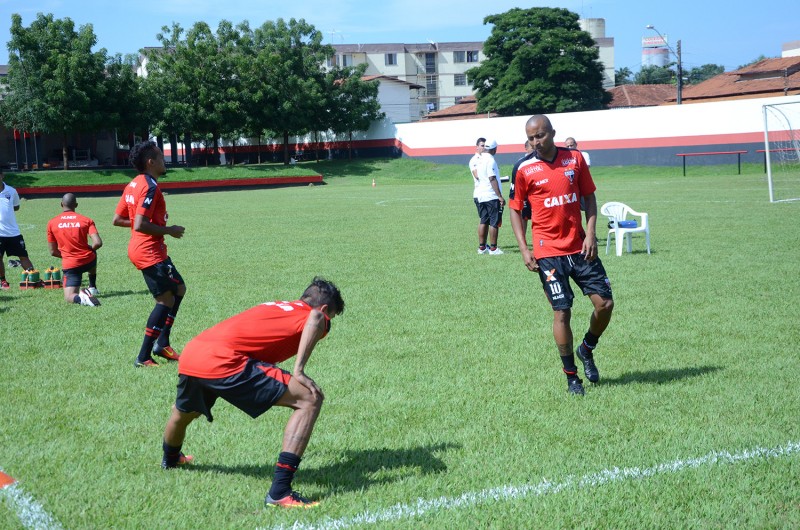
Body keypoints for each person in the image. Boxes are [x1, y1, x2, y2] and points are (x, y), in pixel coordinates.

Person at [160, 277, 344, 509]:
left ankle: (171, 459)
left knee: (184, 412)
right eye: (331, 317)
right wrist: (299, 370)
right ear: (325, 308)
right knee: (310, 399)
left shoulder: (277, 305)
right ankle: (280, 492)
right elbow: (315, 318)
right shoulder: (315, 314)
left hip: (194, 353)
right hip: (224, 360)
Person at [509, 115, 614, 396]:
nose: (536, 142)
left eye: (540, 135)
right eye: (531, 138)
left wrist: (590, 233)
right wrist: (524, 249)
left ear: (552, 133)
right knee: (562, 312)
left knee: (605, 304)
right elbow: (516, 210)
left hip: (580, 247)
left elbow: (589, 197)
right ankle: (572, 378)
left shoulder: (574, 159)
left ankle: (586, 348)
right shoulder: (523, 168)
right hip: (548, 253)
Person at [113, 140, 186, 367]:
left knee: (179, 288)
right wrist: (169, 230)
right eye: (161, 157)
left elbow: (118, 220)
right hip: (148, 251)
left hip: (145, 249)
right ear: (151, 162)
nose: (165, 161)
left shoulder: (133, 184)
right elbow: (139, 224)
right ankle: (144, 356)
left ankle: (162, 342)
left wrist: (150, 221)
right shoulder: (150, 187)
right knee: (165, 300)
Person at [46, 193, 103, 306]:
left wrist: (69, 255)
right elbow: (98, 243)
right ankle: (92, 287)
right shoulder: (86, 220)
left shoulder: (52, 223)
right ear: (76, 205)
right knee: (92, 252)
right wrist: (90, 250)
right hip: (88, 261)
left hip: (71, 265)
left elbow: (53, 251)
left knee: (69, 297)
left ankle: (82, 297)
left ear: (61, 204)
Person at [0, 169, 42, 289]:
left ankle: (34, 279)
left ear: (2, 176)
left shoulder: (11, 191)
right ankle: (3, 281)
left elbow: (16, 206)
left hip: (13, 232)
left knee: (23, 256)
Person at [474, 139, 505, 255]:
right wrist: (499, 196)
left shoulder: (480, 159)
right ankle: (493, 248)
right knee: (494, 221)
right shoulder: (490, 160)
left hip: (481, 194)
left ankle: (482, 247)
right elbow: (492, 178)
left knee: (483, 220)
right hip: (490, 195)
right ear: (494, 149)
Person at [508, 140, 535, 236]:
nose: (534, 149)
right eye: (531, 147)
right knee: (524, 217)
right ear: (526, 148)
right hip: (525, 195)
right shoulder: (521, 163)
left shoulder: (539, 160)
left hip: (535, 194)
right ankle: (522, 239)